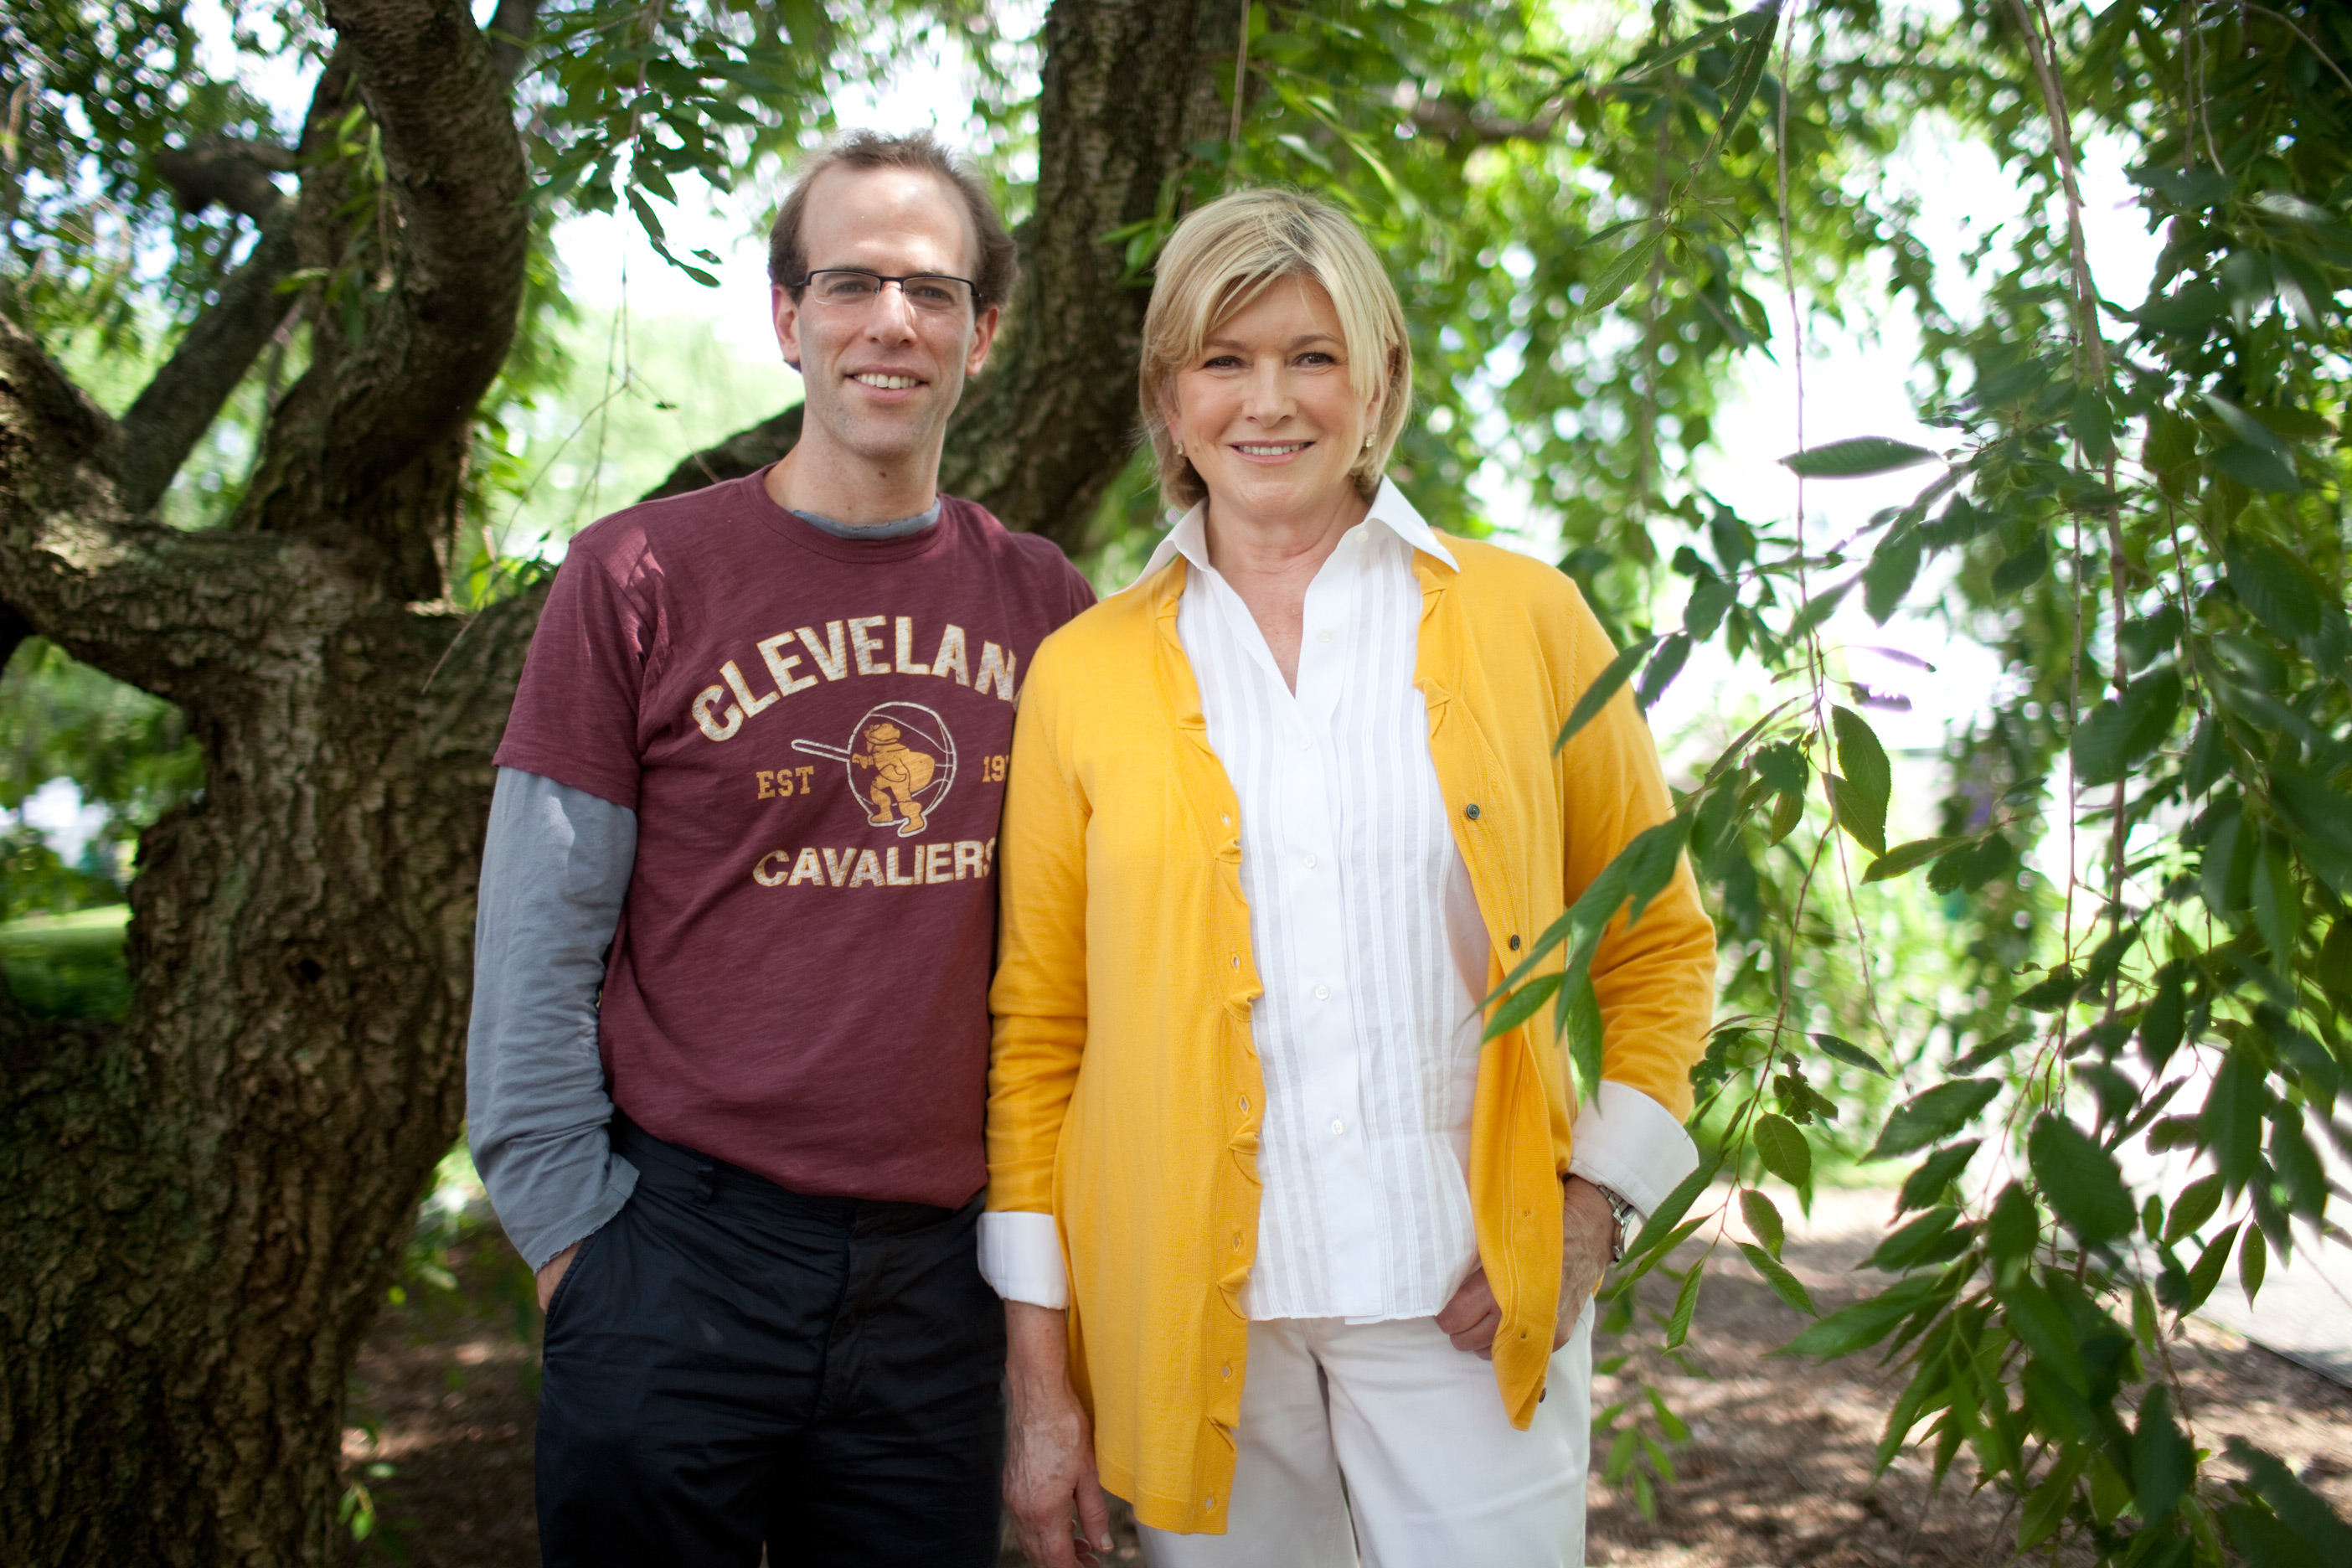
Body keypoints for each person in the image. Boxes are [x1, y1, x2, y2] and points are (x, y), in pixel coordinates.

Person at [983, 188, 1716, 1568]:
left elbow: (1658, 944)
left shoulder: (1527, 619)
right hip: (1188, 1318)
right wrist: (1039, 1380)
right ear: (1170, 395)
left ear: (1378, 385)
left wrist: (1594, 1206)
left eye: (1313, 356)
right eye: (1225, 359)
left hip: (1465, 1290)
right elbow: (1041, 1038)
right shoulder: (1083, 671)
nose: (1271, 402)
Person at [467, 129, 1096, 1567]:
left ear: (983, 335)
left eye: (933, 292)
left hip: (940, 1292)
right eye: (852, 282)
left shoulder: (1046, 602)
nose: (893, 321)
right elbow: (537, 938)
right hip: (677, 1255)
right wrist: (577, 1252)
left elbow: (1083, 954)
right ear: (787, 318)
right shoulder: (637, 576)